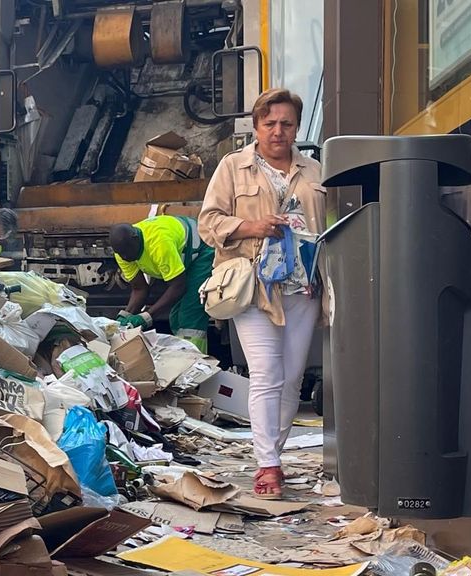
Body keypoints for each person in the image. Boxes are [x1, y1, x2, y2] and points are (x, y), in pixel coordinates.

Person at [198, 88, 328, 500]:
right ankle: (267, 464)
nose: (278, 131)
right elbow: (208, 223)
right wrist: (251, 227)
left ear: (296, 127)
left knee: (291, 380)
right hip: (253, 288)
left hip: (302, 288)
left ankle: (276, 452)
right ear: (256, 126)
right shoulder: (232, 167)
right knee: (267, 375)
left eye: (286, 123)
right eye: (269, 123)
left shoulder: (315, 171)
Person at [110, 215, 214, 353]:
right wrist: (125, 317)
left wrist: (146, 317)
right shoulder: (123, 251)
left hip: (201, 252)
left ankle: (197, 364)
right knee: (175, 318)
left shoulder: (158, 243)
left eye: (127, 253)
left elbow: (178, 286)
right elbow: (139, 288)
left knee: (189, 316)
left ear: (136, 238)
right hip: (181, 256)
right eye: (121, 254)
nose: (125, 258)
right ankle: (182, 359)